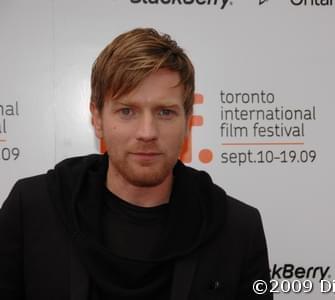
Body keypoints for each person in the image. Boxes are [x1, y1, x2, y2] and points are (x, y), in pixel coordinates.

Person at [0, 28, 272, 299]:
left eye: (165, 112)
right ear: (97, 118)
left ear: (188, 120)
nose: (147, 132)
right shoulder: (33, 208)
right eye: (127, 111)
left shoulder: (236, 228)